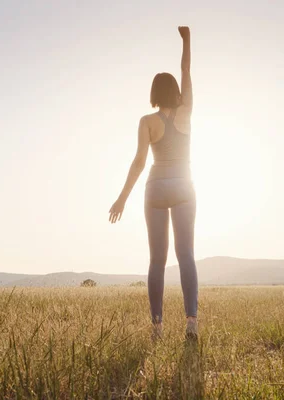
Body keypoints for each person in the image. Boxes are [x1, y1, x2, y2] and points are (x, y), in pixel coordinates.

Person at [109, 26, 198, 340]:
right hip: (184, 187)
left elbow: (138, 162)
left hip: (156, 188)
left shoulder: (147, 122)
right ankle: (191, 322)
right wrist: (187, 39)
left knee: (157, 259)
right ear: (175, 92)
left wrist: (122, 198)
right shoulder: (186, 112)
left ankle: (157, 327)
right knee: (185, 255)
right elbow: (186, 69)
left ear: (153, 93)